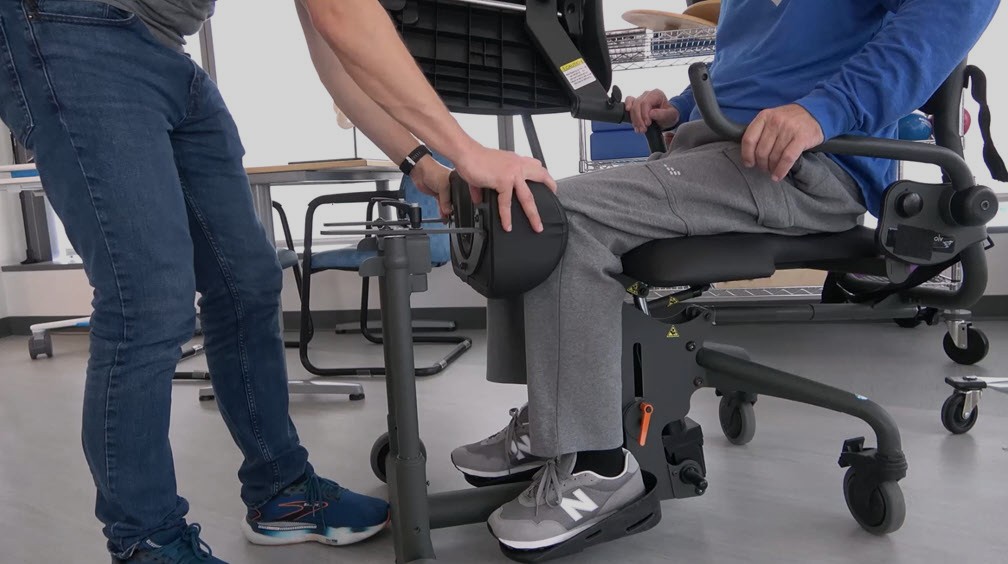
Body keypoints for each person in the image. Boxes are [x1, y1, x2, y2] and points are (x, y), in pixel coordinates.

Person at [0, 0, 553, 562]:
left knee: (248, 284)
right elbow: (343, 14)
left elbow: (337, 58)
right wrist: (469, 151)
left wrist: (427, 165)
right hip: (66, 30)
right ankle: (146, 541)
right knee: (148, 302)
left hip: (166, 50)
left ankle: (281, 492)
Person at [450, 0, 1001, 552]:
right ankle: (552, 423)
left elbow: (946, 18)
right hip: (716, 151)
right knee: (518, 201)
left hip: (805, 165)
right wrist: (681, 107)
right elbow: (750, 67)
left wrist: (823, 110)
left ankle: (599, 466)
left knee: (555, 216)